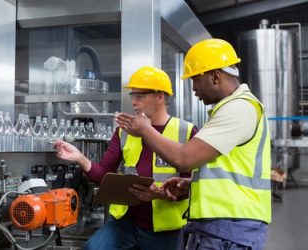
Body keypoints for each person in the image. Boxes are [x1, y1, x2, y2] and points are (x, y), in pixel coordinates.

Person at [115, 38, 271, 250]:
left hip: (230, 229)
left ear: (215, 77)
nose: (194, 89)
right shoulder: (228, 109)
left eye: (196, 80)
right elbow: (227, 169)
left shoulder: (239, 109)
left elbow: (184, 159)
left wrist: (145, 129)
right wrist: (191, 186)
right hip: (220, 226)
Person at [54, 66, 197, 250]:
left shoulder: (185, 131)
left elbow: (194, 185)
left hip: (167, 230)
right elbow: (103, 175)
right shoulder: (124, 131)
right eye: (133, 96)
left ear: (160, 97)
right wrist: (80, 157)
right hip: (125, 224)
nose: (134, 102)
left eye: (140, 96)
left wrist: (161, 193)